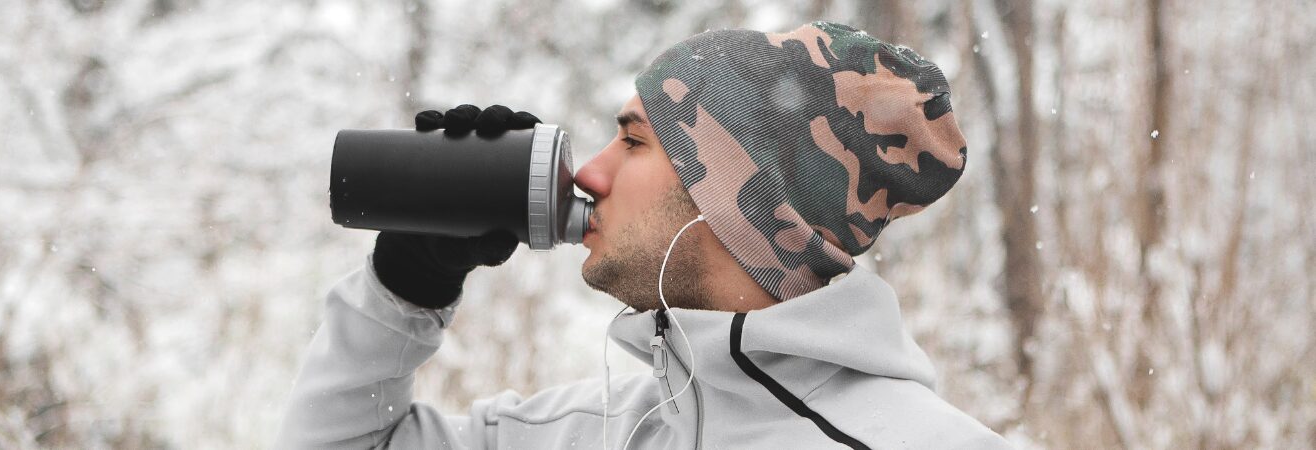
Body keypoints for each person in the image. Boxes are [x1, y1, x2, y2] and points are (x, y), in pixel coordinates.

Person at [277, 21, 1013, 449]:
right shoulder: (601, 433)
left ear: (732, 198)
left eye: (632, 143)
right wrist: (406, 287)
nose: (588, 175)